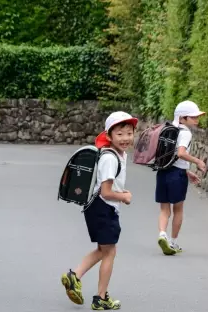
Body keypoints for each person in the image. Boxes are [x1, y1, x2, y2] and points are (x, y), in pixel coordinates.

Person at [61, 111, 137, 310]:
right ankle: (100, 297)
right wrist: (125, 197)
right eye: (120, 134)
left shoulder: (117, 154)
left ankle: (74, 276)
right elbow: (106, 192)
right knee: (109, 252)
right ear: (109, 135)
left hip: (99, 208)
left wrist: (120, 193)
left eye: (129, 133)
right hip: (103, 207)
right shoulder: (110, 158)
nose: (126, 138)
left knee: (104, 250)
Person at [156, 101, 207, 255]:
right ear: (183, 118)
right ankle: (173, 242)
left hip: (163, 172)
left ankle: (162, 234)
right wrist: (198, 161)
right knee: (178, 209)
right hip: (176, 176)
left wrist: (187, 172)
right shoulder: (185, 132)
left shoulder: (168, 129)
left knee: (165, 209)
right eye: (193, 117)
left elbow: (171, 156)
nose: (197, 119)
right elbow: (181, 153)